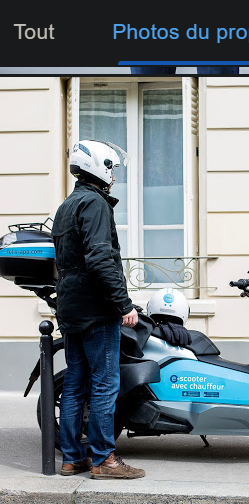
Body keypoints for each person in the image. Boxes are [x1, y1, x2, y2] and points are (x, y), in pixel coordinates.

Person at [52, 140, 145, 479]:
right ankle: (104, 459)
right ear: (98, 167)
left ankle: (72, 458)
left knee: (75, 384)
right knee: (105, 383)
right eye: (111, 168)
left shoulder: (67, 205)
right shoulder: (95, 203)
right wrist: (123, 304)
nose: (114, 176)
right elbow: (100, 258)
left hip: (71, 306)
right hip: (96, 309)